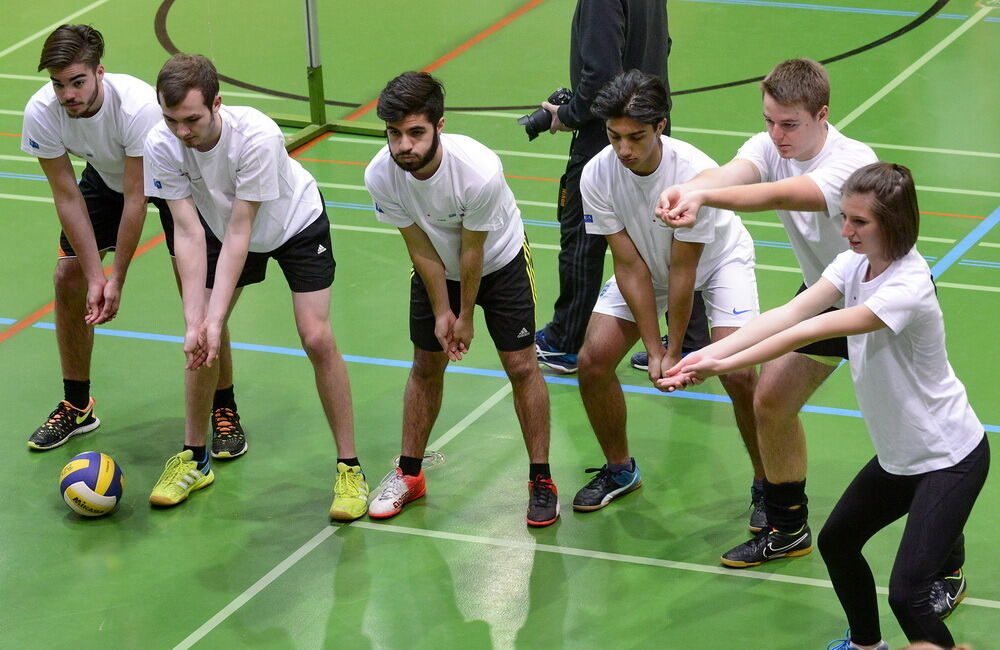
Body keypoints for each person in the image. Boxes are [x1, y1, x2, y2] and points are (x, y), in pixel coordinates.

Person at [663, 163, 988, 650]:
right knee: (839, 542)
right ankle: (866, 644)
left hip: (949, 458)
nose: (846, 230)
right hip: (900, 457)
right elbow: (788, 312)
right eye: (844, 217)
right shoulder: (854, 264)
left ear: (893, 222)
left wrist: (719, 365)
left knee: (908, 595)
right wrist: (706, 355)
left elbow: (807, 330)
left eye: (859, 222)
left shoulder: (908, 286)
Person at [657, 58, 878, 566]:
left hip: (880, 304)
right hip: (823, 293)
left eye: (790, 124)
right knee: (772, 402)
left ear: (822, 115)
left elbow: (780, 194)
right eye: (770, 121)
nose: (777, 135)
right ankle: (788, 527)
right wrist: (691, 189)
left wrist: (706, 196)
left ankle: (945, 562)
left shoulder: (852, 163)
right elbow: (730, 173)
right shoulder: (770, 145)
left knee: (905, 428)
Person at [143, 54, 367, 519]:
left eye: (192, 120)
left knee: (316, 336)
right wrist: (197, 320)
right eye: (171, 119)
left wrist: (216, 318)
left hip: (293, 223)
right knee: (200, 332)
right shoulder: (161, 142)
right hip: (218, 228)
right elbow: (186, 230)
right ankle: (194, 458)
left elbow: (243, 230)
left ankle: (350, 468)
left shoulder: (257, 137)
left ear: (217, 104)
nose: (181, 131)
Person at [21, 25, 245, 457]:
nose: (68, 94)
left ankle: (224, 406)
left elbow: (136, 198)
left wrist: (116, 278)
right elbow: (67, 196)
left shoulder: (137, 108)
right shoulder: (41, 113)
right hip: (107, 180)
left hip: (177, 180)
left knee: (198, 293)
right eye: (58, 84)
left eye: (78, 82)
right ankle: (77, 404)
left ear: (99, 72)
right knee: (67, 277)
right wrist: (94, 276)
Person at [568, 70, 764, 529]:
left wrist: (674, 350)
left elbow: (684, 269)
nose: (624, 149)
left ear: (660, 126)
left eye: (636, 137)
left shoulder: (695, 173)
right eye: (614, 136)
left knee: (738, 373)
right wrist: (652, 349)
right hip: (647, 262)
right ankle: (620, 469)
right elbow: (629, 266)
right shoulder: (597, 173)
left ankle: (769, 482)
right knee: (593, 361)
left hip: (719, 261)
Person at [364, 71, 559, 527]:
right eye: (394, 133)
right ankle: (409, 474)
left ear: (440, 126)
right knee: (425, 364)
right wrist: (441, 311)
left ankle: (541, 480)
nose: (404, 146)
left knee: (521, 366)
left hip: (500, 261)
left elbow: (473, 250)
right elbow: (419, 247)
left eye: (416, 133)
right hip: (437, 264)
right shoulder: (381, 175)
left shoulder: (477, 171)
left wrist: (464, 316)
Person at [530, 0, 710, 375]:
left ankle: (565, 340)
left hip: (608, 132)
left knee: (582, 237)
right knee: (668, 233)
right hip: (649, 126)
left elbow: (600, 76)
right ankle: (690, 343)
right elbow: (664, 44)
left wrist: (568, 115)